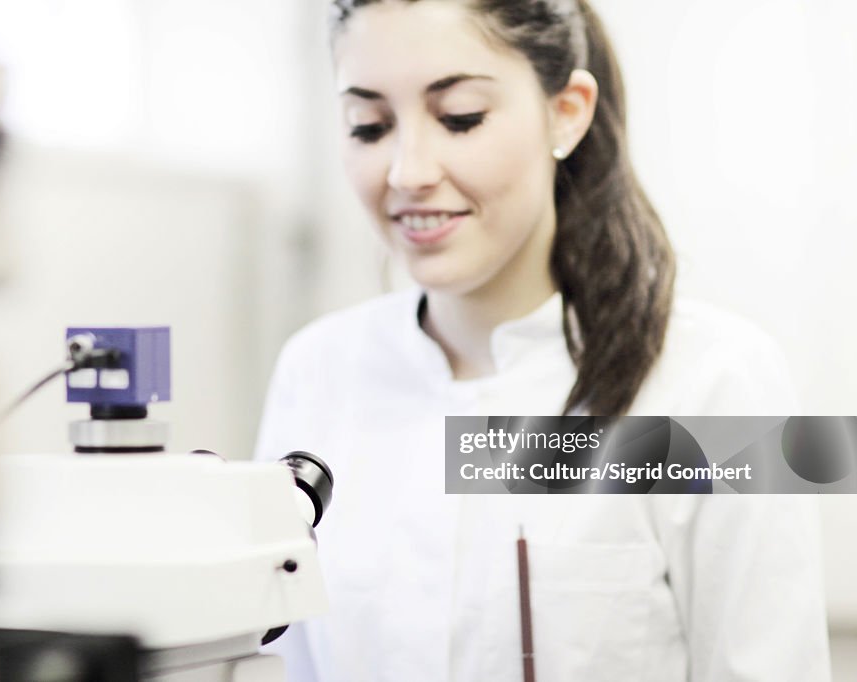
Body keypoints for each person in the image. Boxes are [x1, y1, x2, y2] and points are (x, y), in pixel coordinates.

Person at [254, 0, 831, 680]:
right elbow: (277, 659)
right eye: (369, 125)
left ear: (567, 111)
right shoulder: (315, 368)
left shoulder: (726, 379)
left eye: (460, 117)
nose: (407, 172)